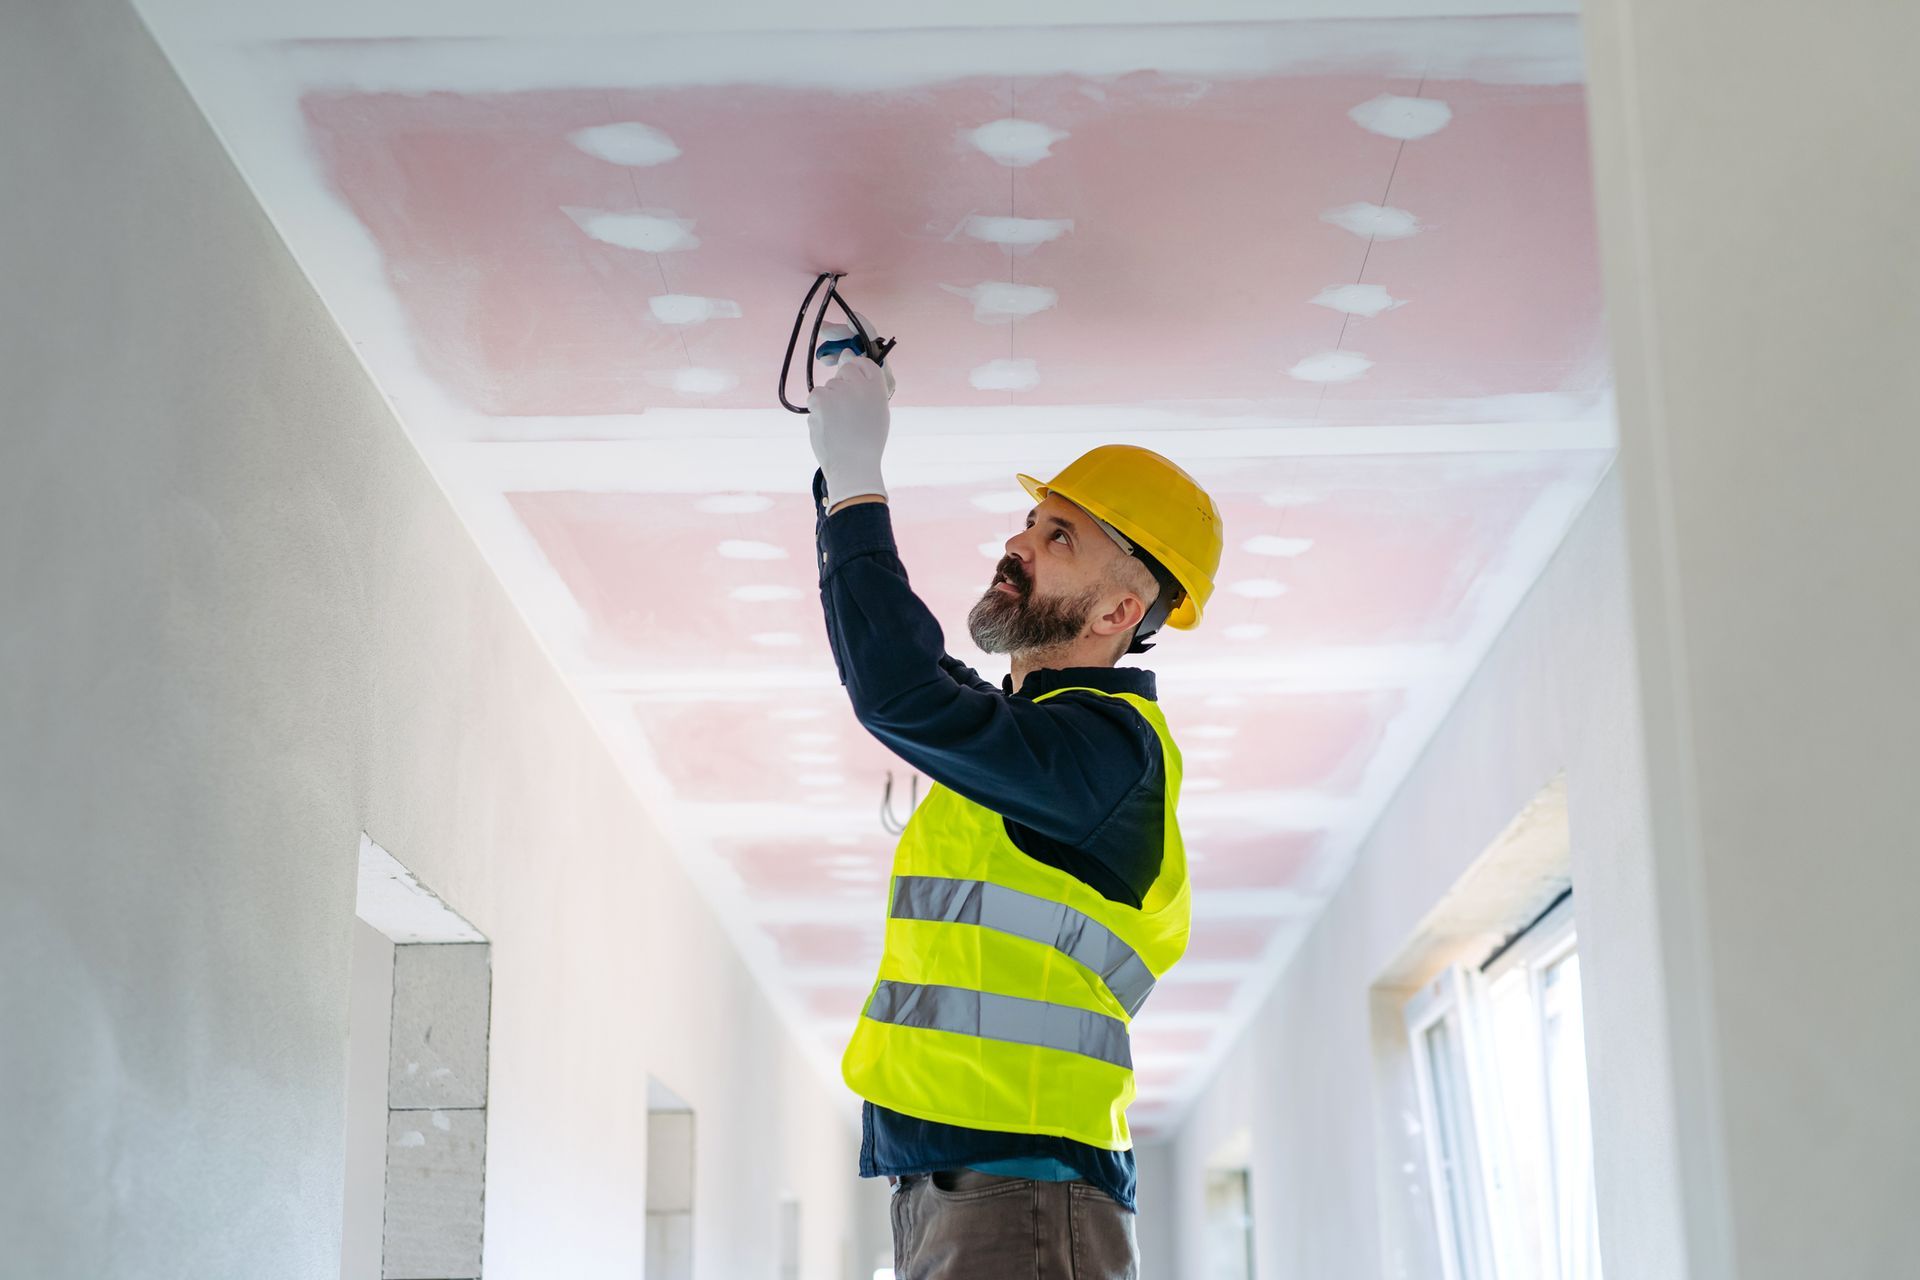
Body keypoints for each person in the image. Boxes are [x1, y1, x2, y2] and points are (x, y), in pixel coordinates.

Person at [807, 347, 1222, 1279]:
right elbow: (892, 676)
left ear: (1121, 609)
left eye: (1060, 537)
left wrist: (861, 478)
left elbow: (901, 693)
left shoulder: (1107, 756)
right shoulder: (1043, 741)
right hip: (973, 1181)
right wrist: (839, 483)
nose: (1021, 544)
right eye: (1034, 522)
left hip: (1021, 1185)